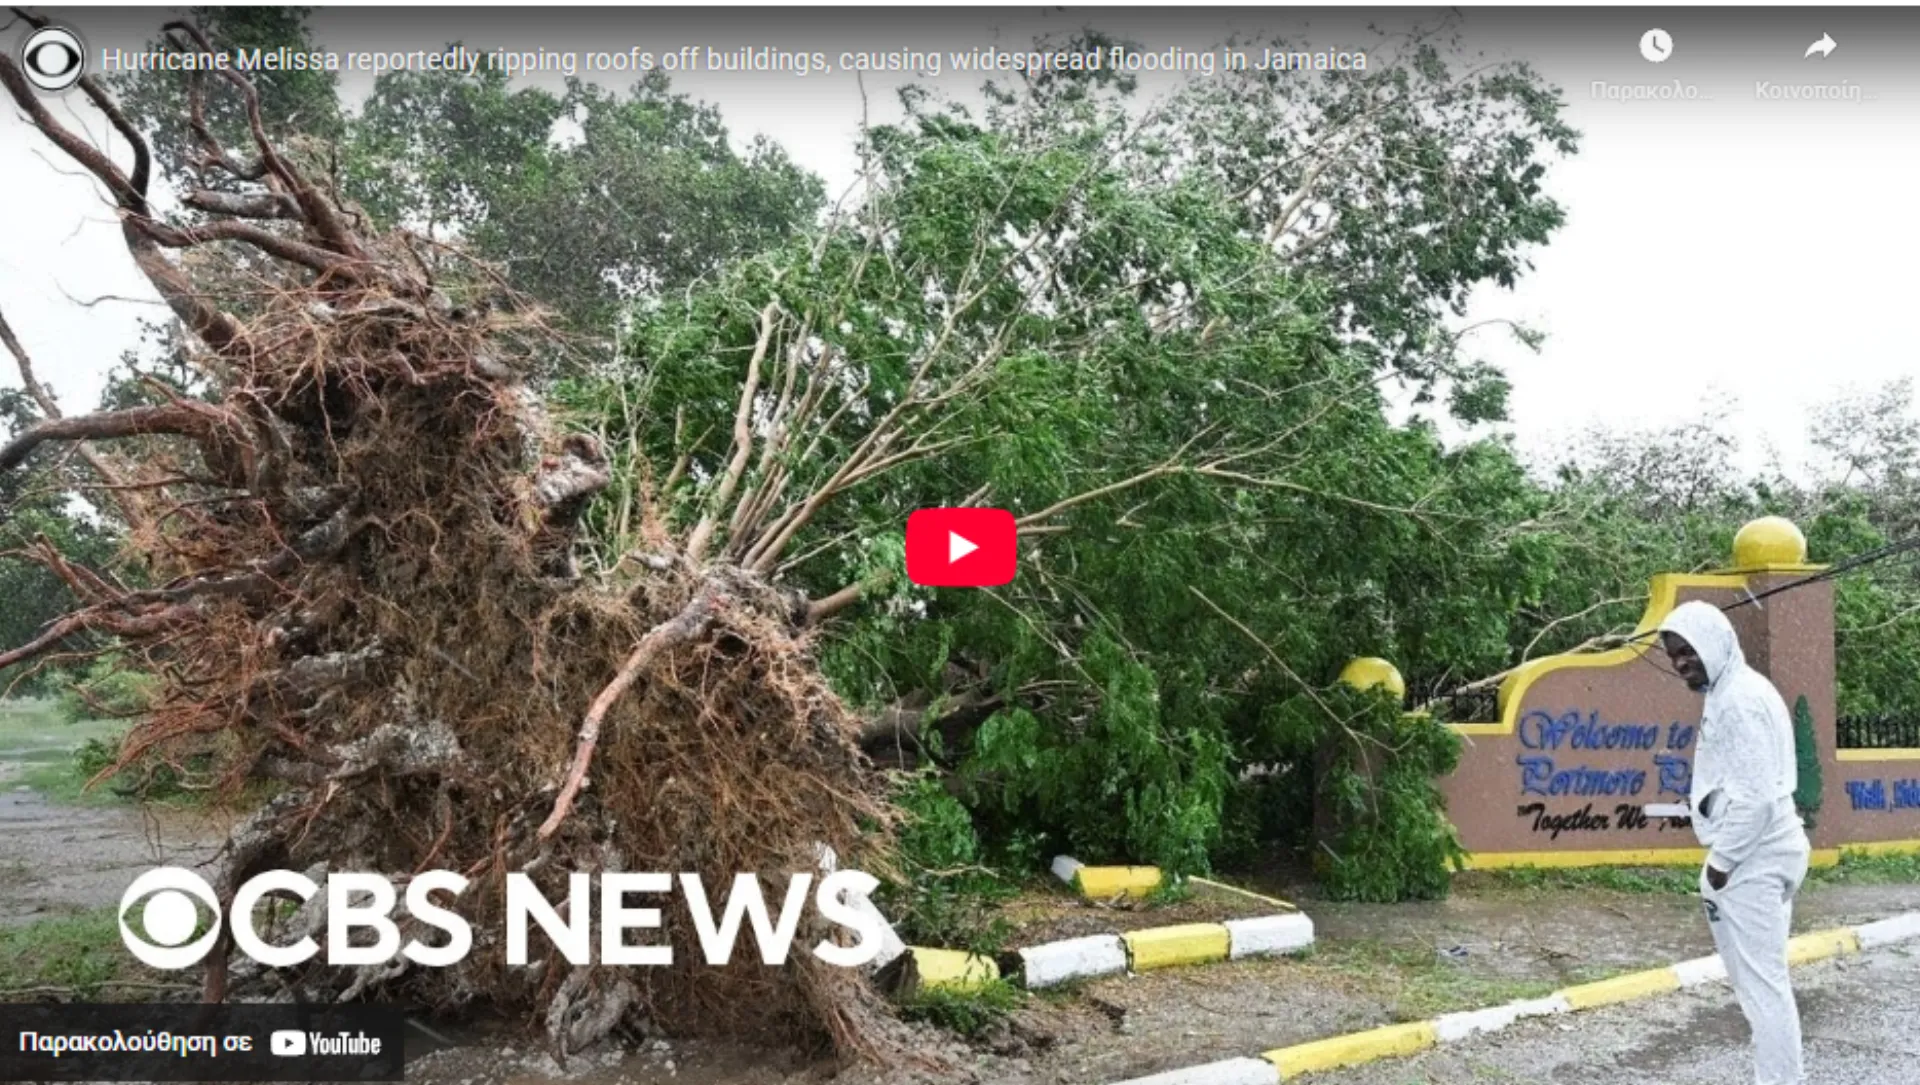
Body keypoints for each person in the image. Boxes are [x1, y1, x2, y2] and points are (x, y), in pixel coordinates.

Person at [1658, 600, 1811, 1085]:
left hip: (1753, 858)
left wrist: (1720, 865)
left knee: (1763, 990)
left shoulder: (1740, 701)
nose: (1682, 662)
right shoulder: (1734, 690)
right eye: (1675, 655)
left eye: (1689, 651)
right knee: (1764, 986)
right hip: (1767, 849)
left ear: (1716, 643)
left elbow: (1757, 798)